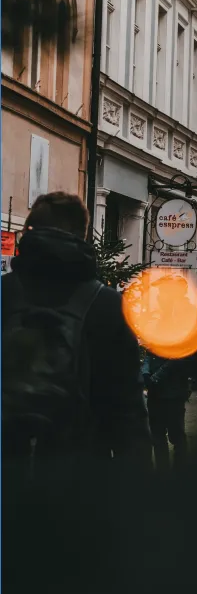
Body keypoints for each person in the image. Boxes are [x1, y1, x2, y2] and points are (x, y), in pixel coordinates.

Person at [2, 191, 151, 471]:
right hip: (78, 475)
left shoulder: (4, 293)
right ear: (82, 235)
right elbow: (127, 407)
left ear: (28, 231)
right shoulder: (107, 304)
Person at [142, 349, 191, 472]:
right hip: (156, 395)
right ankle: (163, 472)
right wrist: (145, 373)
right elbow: (149, 355)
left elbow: (177, 359)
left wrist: (154, 378)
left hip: (173, 395)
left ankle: (179, 471)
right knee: (158, 437)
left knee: (176, 436)